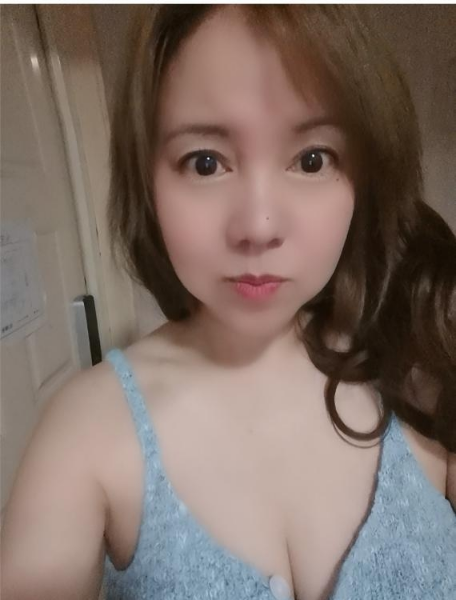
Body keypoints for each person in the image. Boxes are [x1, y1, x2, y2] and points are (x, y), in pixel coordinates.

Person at [2, 5, 456, 600]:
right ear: (148, 182)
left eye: (312, 159)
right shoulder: (84, 434)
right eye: (206, 163)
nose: (258, 226)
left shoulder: (416, 364)